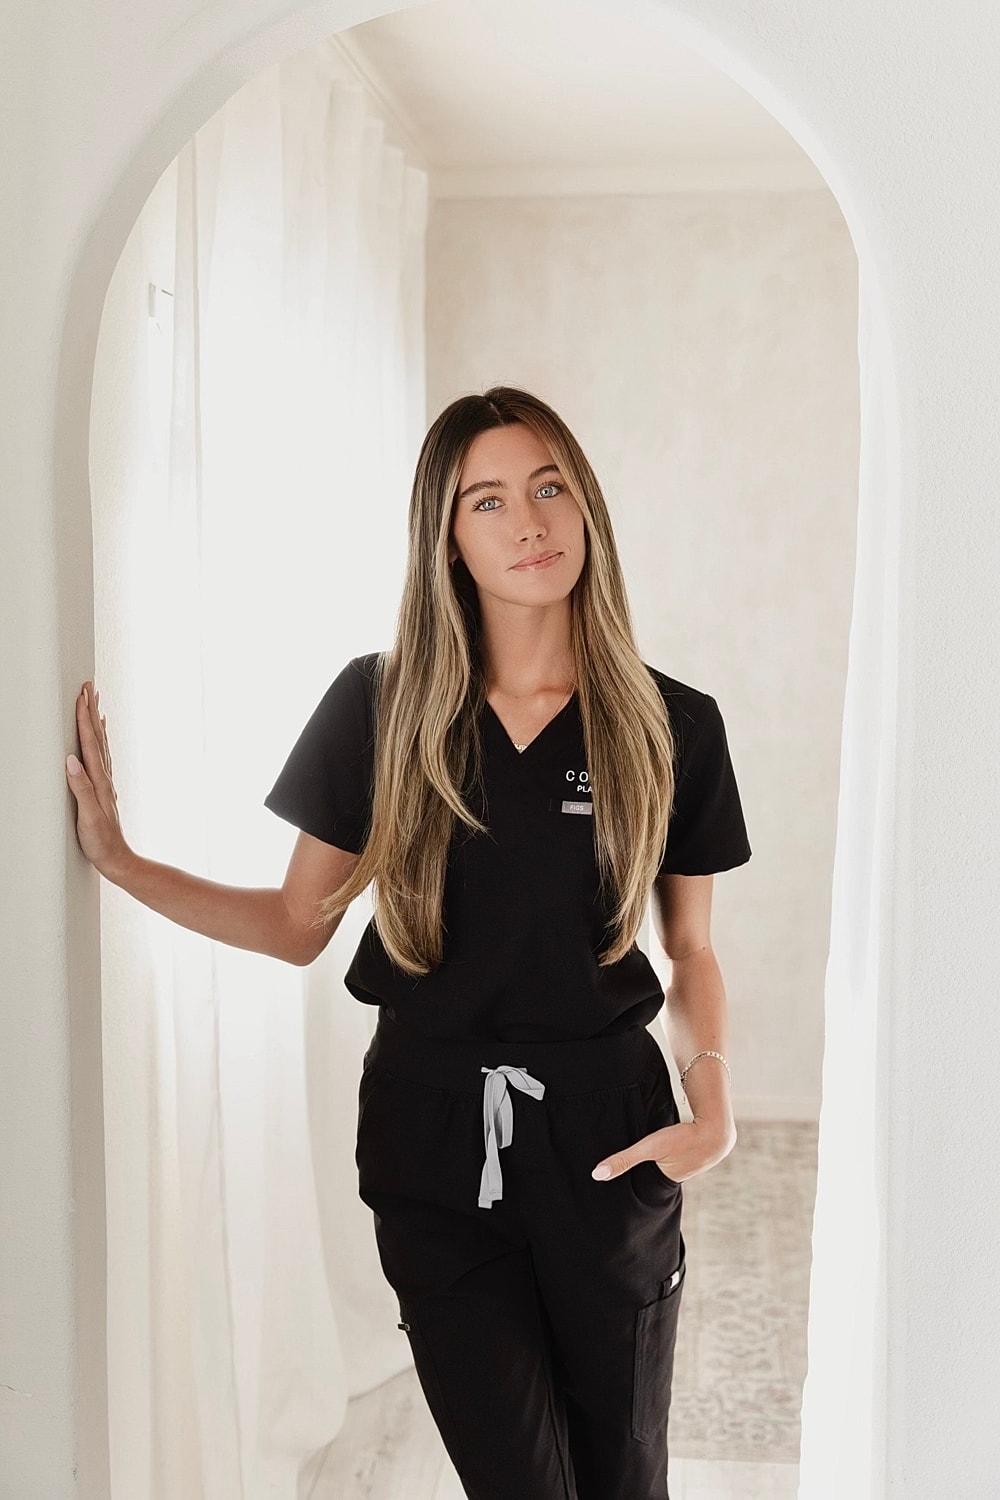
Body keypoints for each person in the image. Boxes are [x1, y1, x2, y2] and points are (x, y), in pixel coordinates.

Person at [66, 385, 751, 1500]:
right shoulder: (379, 707)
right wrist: (126, 864)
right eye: (488, 501)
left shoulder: (674, 722)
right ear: (447, 536)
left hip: (609, 1141)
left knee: (621, 1480)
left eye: (549, 487)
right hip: (433, 1145)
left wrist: (710, 1103)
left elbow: (692, 949)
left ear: (586, 508)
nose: (528, 522)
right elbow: (298, 927)